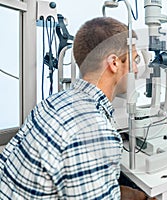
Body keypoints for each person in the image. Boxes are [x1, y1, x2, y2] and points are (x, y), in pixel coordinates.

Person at [0, 17, 151, 200]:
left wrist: (137, 196)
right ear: (114, 63)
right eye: (134, 60)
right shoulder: (94, 133)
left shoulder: (52, 103)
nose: (136, 69)